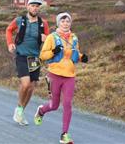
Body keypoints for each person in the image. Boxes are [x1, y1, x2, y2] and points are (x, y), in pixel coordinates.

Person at [34, 12, 89, 144]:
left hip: (69, 75)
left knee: (68, 104)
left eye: (68, 21)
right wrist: (54, 51)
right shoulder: (52, 37)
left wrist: (82, 57)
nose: (65, 23)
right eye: (63, 21)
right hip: (54, 74)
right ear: (58, 23)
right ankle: (41, 110)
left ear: (70, 23)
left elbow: (74, 54)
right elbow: (42, 56)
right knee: (54, 105)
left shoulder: (74, 38)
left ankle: (64, 134)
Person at [5, 0, 49, 126]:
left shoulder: (43, 23)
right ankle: (19, 107)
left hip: (35, 57)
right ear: (27, 7)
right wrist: (10, 44)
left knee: (31, 87)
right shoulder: (20, 20)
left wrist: (46, 39)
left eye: (37, 6)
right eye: (33, 6)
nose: (35, 8)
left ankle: (20, 111)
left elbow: (48, 41)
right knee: (25, 84)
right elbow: (8, 30)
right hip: (22, 55)